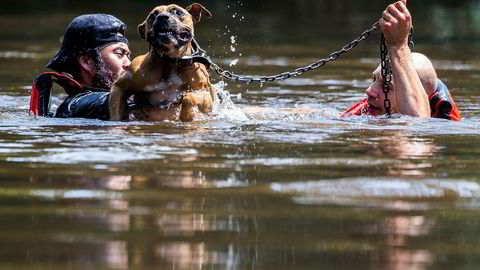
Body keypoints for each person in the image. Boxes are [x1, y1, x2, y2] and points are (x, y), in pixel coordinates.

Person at [342, 0, 460, 121]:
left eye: (386, 85)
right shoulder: (365, 111)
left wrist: (398, 46)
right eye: (374, 79)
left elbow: (418, 127)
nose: (369, 91)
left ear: (423, 98)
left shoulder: (442, 122)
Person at [29, 14, 132, 120]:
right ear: (87, 62)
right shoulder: (76, 105)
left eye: (128, 55)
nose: (129, 63)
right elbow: (119, 100)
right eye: (119, 53)